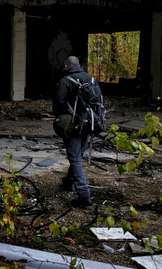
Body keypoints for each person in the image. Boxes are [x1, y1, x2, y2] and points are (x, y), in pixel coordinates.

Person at [53, 55, 97, 208]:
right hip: (90, 123)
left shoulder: (66, 80)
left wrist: (63, 117)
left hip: (74, 124)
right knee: (77, 155)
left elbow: (59, 103)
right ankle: (68, 182)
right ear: (79, 65)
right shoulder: (90, 79)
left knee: (75, 158)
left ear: (66, 65)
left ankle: (84, 195)